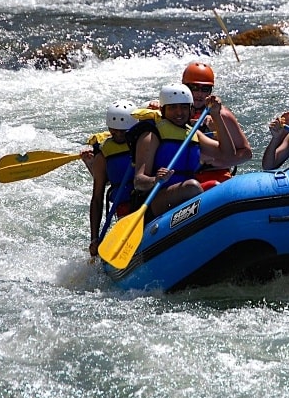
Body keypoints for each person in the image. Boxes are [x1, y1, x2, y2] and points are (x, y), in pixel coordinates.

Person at [128, 84, 236, 220]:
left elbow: (229, 155)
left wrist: (216, 115)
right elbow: (138, 181)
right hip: (155, 199)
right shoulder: (152, 134)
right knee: (192, 187)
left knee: (216, 186)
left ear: (191, 109)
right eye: (173, 107)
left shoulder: (193, 133)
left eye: (184, 107)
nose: (179, 112)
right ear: (163, 109)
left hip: (188, 193)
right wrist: (155, 179)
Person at [181, 61, 252, 184]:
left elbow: (246, 153)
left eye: (205, 89)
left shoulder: (222, 115)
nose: (199, 93)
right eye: (194, 88)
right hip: (187, 179)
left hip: (216, 177)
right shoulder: (174, 113)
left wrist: (219, 162)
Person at [85, 100, 137, 256]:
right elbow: (97, 197)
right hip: (124, 208)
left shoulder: (145, 141)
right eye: (115, 132)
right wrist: (94, 238)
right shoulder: (104, 153)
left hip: (148, 200)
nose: (120, 136)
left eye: (124, 132)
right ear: (109, 129)